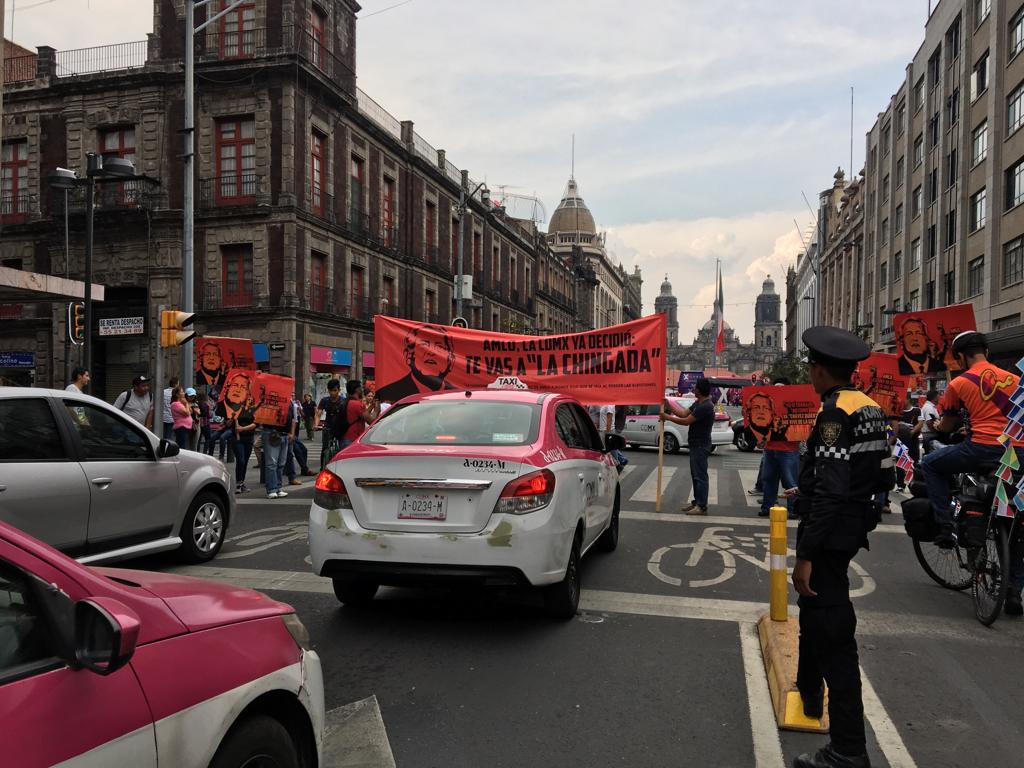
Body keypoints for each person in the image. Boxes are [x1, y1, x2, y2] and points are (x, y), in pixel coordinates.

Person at [790, 326, 894, 768]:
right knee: (817, 614)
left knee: (833, 633)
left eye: (811, 368)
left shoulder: (834, 414)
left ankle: (848, 750)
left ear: (819, 369)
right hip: (853, 525)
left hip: (830, 534)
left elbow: (832, 490)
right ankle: (810, 689)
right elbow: (883, 474)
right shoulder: (871, 407)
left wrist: (806, 554)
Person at [919, 331, 1024, 615]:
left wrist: (939, 428)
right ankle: (1014, 591)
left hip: (981, 449)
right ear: (987, 352)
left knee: (930, 464)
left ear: (962, 357)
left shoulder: (961, 382)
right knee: (1013, 522)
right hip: (1016, 454)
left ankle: (944, 525)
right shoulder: (1016, 380)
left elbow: (948, 425)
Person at [661, 377, 715, 516]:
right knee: (695, 475)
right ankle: (697, 502)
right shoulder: (698, 403)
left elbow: (686, 421)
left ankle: (701, 506)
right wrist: (668, 405)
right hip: (695, 443)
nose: (693, 389)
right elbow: (683, 413)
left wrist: (667, 417)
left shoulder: (706, 406)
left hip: (701, 444)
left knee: (700, 476)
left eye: (695, 387)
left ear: (700, 390)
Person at [375, 324, 457, 402]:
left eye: (440, 347)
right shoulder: (388, 394)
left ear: (451, 361)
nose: (431, 352)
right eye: (424, 345)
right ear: (408, 355)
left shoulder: (457, 395)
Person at [759, 383, 801, 520]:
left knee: (790, 481)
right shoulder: (768, 409)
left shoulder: (794, 408)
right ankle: (767, 507)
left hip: (788, 449)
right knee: (768, 479)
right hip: (770, 449)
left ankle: (793, 509)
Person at [261, 398, 293, 499]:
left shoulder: (290, 401)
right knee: (272, 463)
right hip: (272, 433)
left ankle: (278, 487)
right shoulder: (269, 399)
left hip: (284, 434)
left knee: (280, 463)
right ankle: (271, 489)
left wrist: (291, 432)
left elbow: (292, 417)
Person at [339, 379, 380, 448]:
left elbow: (362, 414)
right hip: (352, 440)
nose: (362, 391)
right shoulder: (357, 404)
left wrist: (372, 406)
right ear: (357, 390)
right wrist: (376, 409)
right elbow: (371, 421)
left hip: (344, 439)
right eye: (361, 388)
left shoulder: (346, 401)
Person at [316, 379, 346, 469]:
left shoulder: (344, 401)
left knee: (342, 449)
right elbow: (318, 413)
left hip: (340, 428)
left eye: (335, 390)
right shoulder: (324, 400)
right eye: (330, 391)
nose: (332, 393)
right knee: (325, 448)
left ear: (339, 390)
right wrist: (316, 424)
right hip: (328, 427)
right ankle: (322, 468)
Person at [232, 400, 257, 494]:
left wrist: (242, 429)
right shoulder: (235, 409)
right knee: (241, 460)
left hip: (249, 438)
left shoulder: (253, 410)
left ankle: (241, 483)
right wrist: (232, 419)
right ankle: (238, 484)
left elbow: (255, 424)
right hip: (237, 439)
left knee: (245, 461)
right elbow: (228, 423)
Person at [916, 389, 941, 456]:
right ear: (935, 398)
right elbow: (929, 422)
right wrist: (935, 431)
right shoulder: (929, 407)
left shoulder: (930, 406)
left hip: (928, 435)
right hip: (929, 435)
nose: (939, 399)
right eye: (939, 397)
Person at [162, 376, 179, 440]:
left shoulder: (163, 392)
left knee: (163, 436)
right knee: (170, 438)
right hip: (172, 418)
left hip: (163, 418)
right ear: (175, 384)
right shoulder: (177, 394)